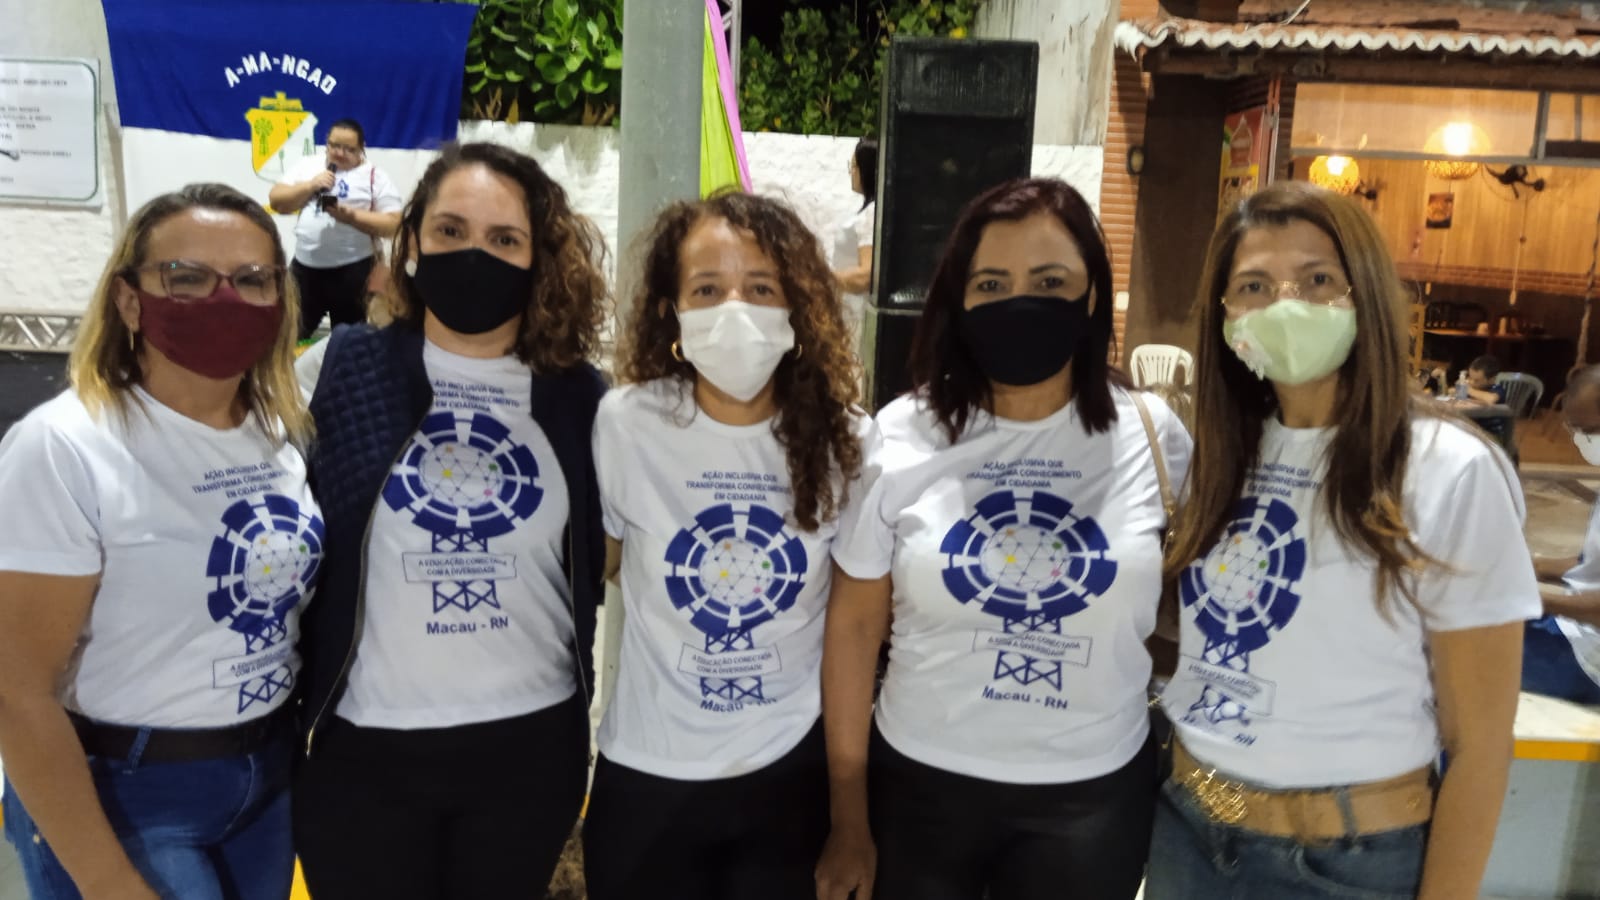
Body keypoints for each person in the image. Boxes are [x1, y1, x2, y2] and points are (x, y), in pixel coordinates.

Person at [1148, 182, 1539, 900]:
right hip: (1188, 832)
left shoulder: (1446, 470)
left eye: (1318, 280)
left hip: (1343, 861)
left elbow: (1481, 745)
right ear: (1226, 316)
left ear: (1365, 297)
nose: (1286, 304)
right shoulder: (1224, 455)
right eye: (1254, 286)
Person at [817, 177, 1191, 900]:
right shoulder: (902, 434)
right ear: (957, 300)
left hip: (1092, 799)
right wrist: (848, 812)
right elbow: (855, 626)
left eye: (1050, 282)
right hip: (919, 789)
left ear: (1091, 296)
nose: (1021, 302)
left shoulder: (1152, 437)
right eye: (991, 284)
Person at [291, 142, 609, 899]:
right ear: (411, 243)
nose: (475, 255)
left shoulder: (582, 399)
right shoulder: (334, 369)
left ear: (539, 260)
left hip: (528, 750)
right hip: (360, 754)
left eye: (505, 239)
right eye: (451, 231)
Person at [0, 183, 319, 899]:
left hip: (265, 780)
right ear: (129, 299)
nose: (224, 298)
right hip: (128, 793)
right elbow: (16, 692)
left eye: (252, 279)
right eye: (187, 277)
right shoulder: (65, 446)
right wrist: (107, 880)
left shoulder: (278, 434)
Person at [582, 191, 872, 900]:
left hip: (789, 777)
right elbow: (605, 567)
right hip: (647, 776)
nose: (735, 309)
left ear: (799, 309)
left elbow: (854, 629)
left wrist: (849, 813)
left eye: (762, 288)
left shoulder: (848, 443)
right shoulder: (626, 424)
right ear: (671, 313)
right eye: (707, 290)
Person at [268, 118, 404, 339]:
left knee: (349, 341)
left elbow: (394, 225)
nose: (340, 154)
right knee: (287, 335)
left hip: (353, 272)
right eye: (334, 146)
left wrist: (352, 217)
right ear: (326, 143)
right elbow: (277, 200)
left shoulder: (374, 176)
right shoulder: (309, 165)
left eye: (349, 149)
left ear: (362, 149)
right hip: (305, 270)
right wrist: (310, 185)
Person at [1526, 364, 1600, 704]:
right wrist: (1530, 565)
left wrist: (1529, 598)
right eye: (1575, 429)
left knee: (1456, 651)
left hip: (1589, 657)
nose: (1581, 441)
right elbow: (1591, 565)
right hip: (1576, 626)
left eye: (1590, 431)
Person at [832, 138, 877, 346]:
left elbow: (866, 275)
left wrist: (821, 276)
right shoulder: (869, 212)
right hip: (849, 313)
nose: (851, 172)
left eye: (854, 166)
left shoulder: (871, 215)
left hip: (858, 317)